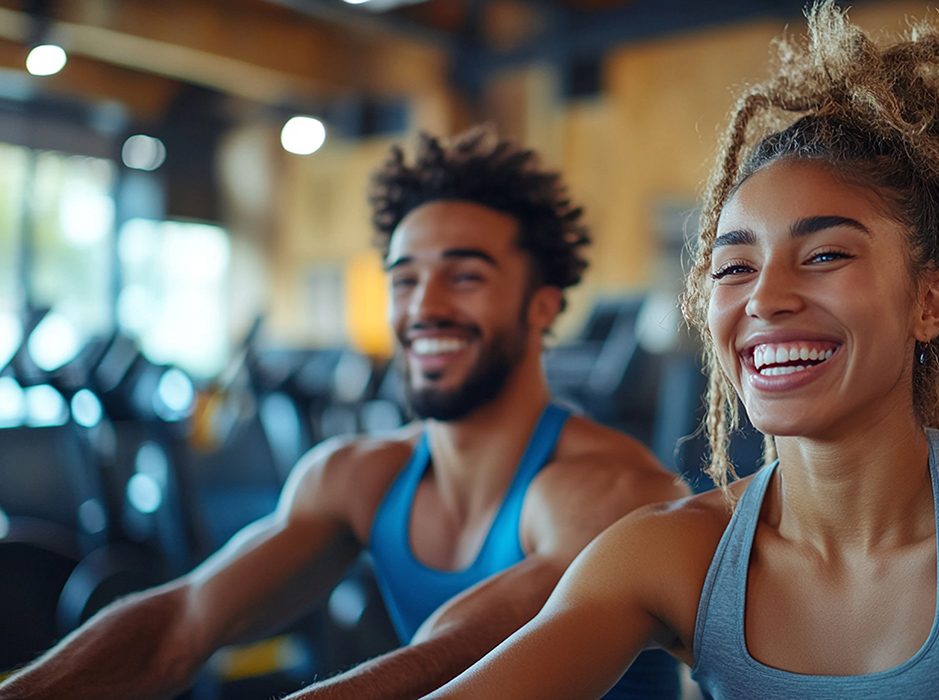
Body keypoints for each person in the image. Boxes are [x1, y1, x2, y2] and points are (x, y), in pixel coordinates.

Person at [427, 4, 939, 698]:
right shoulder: (667, 554)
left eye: (824, 256)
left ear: (929, 303)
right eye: (734, 267)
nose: (765, 298)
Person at [0, 129, 689, 700]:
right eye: (406, 279)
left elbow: (449, 661)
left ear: (542, 305)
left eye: (466, 275)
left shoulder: (613, 492)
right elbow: (180, 624)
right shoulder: (356, 476)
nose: (425, 306)